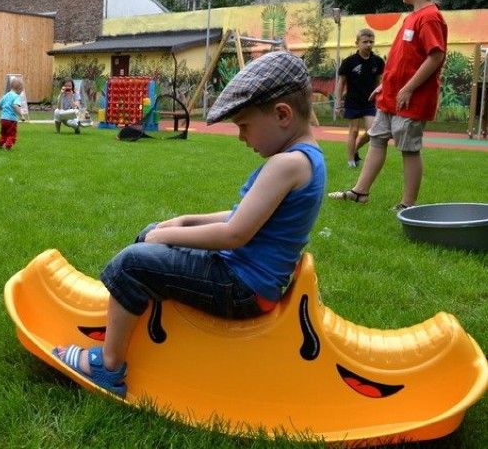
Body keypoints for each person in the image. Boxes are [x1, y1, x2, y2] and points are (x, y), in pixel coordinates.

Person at [52, 51, 326, 398]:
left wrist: (165, 235)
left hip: (240, 288)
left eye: (245, 126)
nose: (242, 137)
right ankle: (140, 326)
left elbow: (235, 234)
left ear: (282, 115)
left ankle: (109, 365)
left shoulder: (286, 164)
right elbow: (242, 216)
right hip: (245, 281)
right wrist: (185, 221)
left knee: (132, 262)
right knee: (149, 235)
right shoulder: (307, 159)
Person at [329, 0, 447, 211]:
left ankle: (407, 205)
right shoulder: (412, 16)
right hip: (392, 95)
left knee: (409, 149)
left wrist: (407, 88)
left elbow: (435, 56)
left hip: (411, 99)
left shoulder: (429, 17)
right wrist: (387, 85)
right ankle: (360, 192)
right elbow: (404, 59)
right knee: (377, 138)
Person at [333, 29, 385, 167]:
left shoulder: (378, 61)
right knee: (354, 130)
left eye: (371, 42)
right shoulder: (349, 62)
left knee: (372, 131)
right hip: (352, 102)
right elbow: (341, 83)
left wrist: (380, 99)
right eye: (365, 42)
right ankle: (351, 162)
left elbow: (379, 82)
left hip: (369, 103)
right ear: (357, 43)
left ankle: (355, 149)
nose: (368, 44)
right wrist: (338, 104)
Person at [0, 77, 26, 150]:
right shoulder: (16, 97)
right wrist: (21, 115)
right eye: (22, 90)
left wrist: (4, 111)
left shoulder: (6, 95)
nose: (21, 92)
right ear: (19, 89)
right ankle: (8, 146)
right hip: (11, 120)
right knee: (11, 134)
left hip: (3, 119)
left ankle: (0, 144)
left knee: (4, 133)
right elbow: (15, 106)